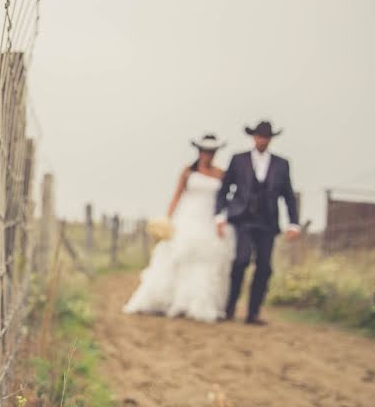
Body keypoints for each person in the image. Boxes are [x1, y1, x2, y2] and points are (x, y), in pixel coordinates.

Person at [124, 134, 235, 323]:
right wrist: (167, 219)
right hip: (187, 218)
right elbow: (177, 196)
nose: (208, 155)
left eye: (211, 152)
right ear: (199, 152)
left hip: (209, 221)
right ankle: (167, 301)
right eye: (205, 151)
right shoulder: (187, 172)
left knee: (205, 262)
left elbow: (224, 200)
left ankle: (198, 303)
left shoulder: (221, 174)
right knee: (177, 257)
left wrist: (221, 219)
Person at [215, 120, 300, 325]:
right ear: (254, 137)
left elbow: (288, 195)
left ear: (270, 139)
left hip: (267, 222)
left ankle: (253, 312)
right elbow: (224, 189)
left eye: (266, 137)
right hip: (243, 219)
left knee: (264, 266)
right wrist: (220, 215)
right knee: (241, 260)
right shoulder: (238, 160)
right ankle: (230, 307)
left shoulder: (281, 164)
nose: (262, 140)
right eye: (260, 136)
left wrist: (293, 223)